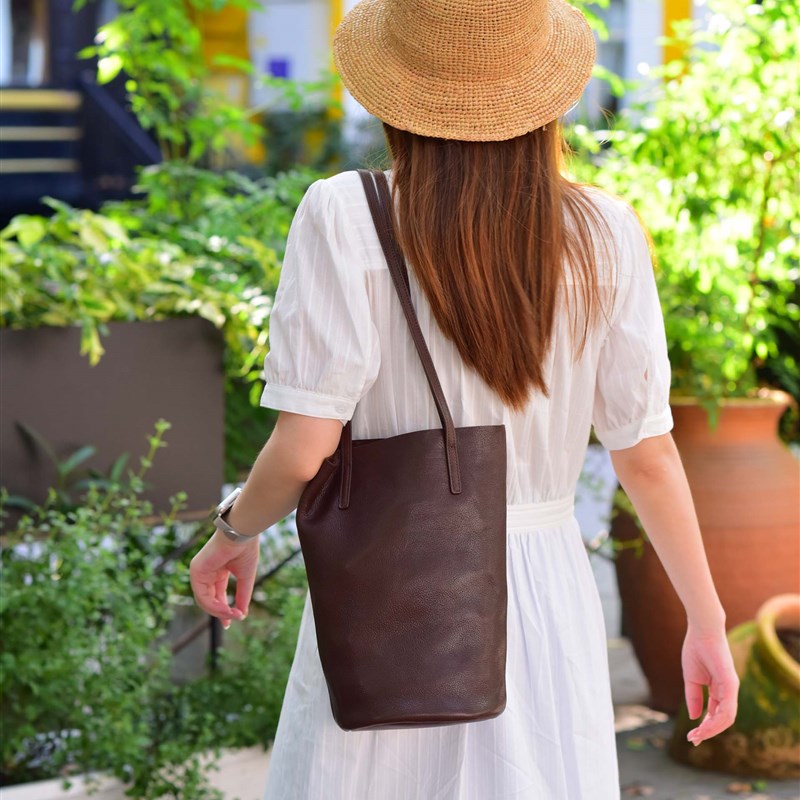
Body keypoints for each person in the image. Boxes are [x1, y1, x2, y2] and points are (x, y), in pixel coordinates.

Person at [189, 0, 740, 796]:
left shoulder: (349, 216)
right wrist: (706, 620)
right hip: (545, 594)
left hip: (397, 586)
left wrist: (233, 529)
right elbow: (646, 455)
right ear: (541, 96)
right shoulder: (606, 233)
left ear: (399, 95)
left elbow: (307, 445)